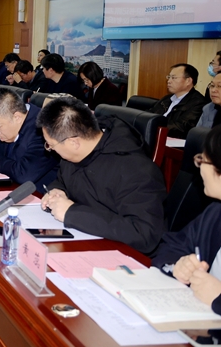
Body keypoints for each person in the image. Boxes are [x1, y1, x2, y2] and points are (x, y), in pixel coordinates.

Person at [37, 97, 166, 254]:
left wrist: (72, 214)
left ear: (73, 142)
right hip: (84, 242)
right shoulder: (73, 155)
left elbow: (144, 234)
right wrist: (58, 190)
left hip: (121, 255)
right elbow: (62, 180)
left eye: (51, 145)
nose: (50, 149)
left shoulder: (136, 170)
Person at [150, 125, 221, 314]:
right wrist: (178, 265)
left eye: (202, 160)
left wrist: (218, 299)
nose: (200, 168)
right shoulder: (214, 213)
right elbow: (171, 245)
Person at [147, 63, 205, 139]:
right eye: (169, 77)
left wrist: (151, 125)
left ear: (188, 81)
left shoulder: (198, 103)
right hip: (155, 136)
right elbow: (150, 114)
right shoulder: (167, 98)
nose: (169, 81)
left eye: (173, 78)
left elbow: (181, 128)